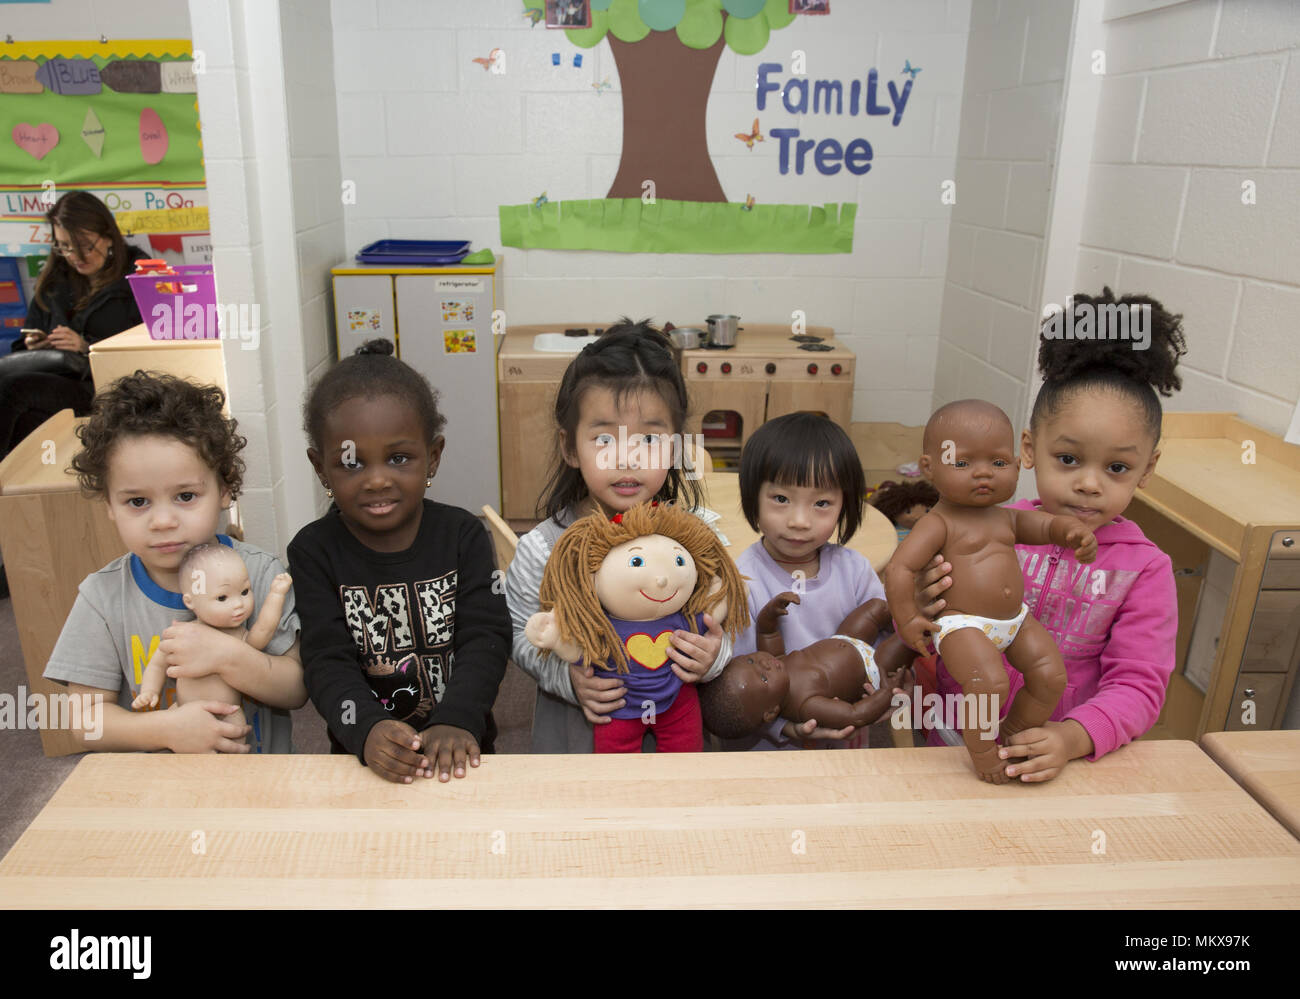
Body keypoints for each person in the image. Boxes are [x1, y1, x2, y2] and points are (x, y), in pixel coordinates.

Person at [920, 287, 1185, 782]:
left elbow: (1139, 685)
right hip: (952, 746)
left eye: (1117, 467)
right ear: (1028, 447)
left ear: (1146, 470)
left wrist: (1074, 736)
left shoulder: (1146, 570)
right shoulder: (987, 529)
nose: (1088, 482)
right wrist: (926, 599)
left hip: (1064, 762)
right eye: (1068, 459)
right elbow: (931, 625)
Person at [42, 372, 306, 753]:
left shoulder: (261, 573)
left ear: (225, 489)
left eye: (185, 496)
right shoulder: (102, 597)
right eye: (137, 502)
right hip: (159, 795)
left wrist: (230, 656)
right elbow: (84, 723)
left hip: (262, 784)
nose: (163, 521)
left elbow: (296, 689)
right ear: (109, 506)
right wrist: (166, 730)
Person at [289, 339, 511, 784]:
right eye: (351, 463)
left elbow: (485, 639)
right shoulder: (312, 551)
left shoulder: (462, 535)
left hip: (462, 749)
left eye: (399, 458)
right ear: (321, 468)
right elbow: (326, 660)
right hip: (365, 758)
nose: (376, 479)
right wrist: (366, 730)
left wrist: (458, 719)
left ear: (433, 456)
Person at [504, 319, 729, 753]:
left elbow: (726, 615)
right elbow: (520, 635)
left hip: (676, 730)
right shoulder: (543, 547)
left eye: (649, 438)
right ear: (571, 447)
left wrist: (713, 657)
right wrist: (567, 679)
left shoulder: (697, 536)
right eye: (604, 438)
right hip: (581, 731)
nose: (626, 458)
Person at [715, 412, 901, 750]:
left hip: (846, 742)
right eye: (781, 499)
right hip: (769, 751)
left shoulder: (855, 570)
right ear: (753, 497)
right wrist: (786, 727)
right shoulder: (742, 582)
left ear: (845, 505)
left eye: (822, 503)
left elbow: (888, 644)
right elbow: (734, 686)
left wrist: (895, 685)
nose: (800, 521)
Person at [1, 191, 148, 458]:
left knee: (12, 390)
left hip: (105, 386)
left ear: (107, 235)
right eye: (64, 246)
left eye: (84, 245)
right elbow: (19, 348)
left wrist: (85, 345)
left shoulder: (138, 277)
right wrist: (34, 344)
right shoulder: (55, 280)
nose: (75, 255)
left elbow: (145, 353)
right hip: (54, 378)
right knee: (23, 417)